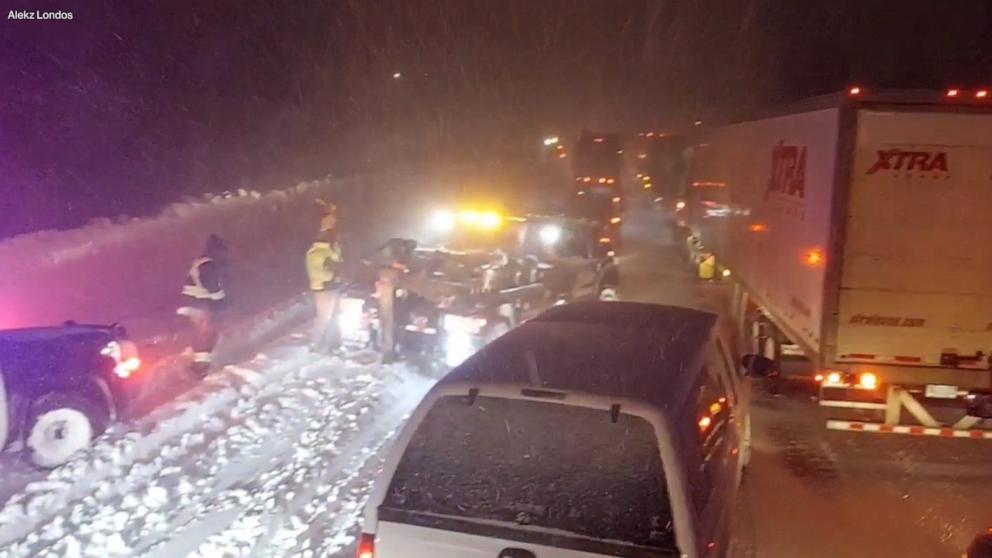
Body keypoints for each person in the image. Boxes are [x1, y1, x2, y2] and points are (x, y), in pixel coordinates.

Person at [177, 234, 227, 376]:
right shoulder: (207, 265)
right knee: (205, 333)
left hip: (192, 302)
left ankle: (199, 363)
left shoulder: (201, 263)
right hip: (198, 303)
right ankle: (201, 366)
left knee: (202, 333)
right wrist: (219, 301)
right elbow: (212, 286)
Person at [306, 228, 344, 353]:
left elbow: (338, 262)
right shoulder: (317, 253)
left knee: (333, 316)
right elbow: (317, 273)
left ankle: (332, 343)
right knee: (324, 318)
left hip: (330, 286)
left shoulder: (321, 252)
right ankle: (315, 344)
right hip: (323, 288)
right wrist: (333, 275)